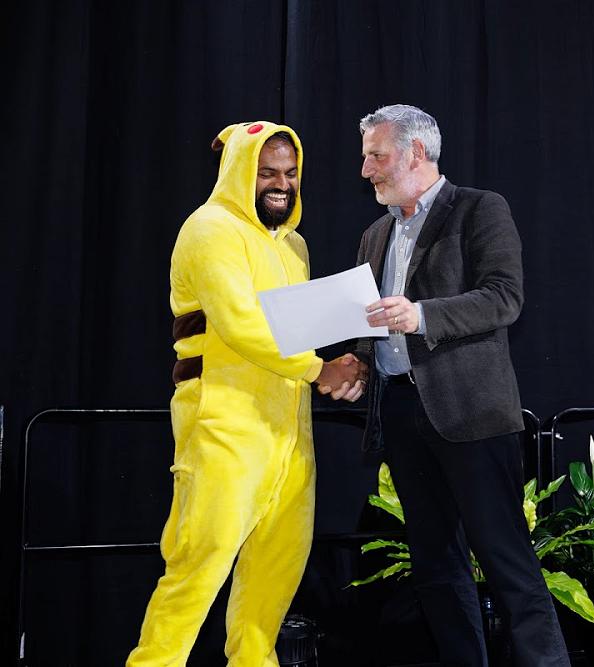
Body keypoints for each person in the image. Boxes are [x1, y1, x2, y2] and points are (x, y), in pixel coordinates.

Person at [128, 121, 365, 666]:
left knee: (277, 570)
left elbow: (300, 329)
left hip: (291, 433)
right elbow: (240, 324)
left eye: (290, 173)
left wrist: (348, 361)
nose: (281, 184)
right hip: (223, 422)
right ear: (239, 172)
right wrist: (321, 369)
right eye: (267, 172)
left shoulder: (295, 246)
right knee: (198, 564)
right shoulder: (210, 228)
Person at [348, 104, 570, 666]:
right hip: (401, 413)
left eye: (377, 156)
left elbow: (504, 298)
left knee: (506, 560)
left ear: (416, 153)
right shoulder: (374, 235)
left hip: (472, 415)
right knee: (435, 564)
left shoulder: (479, 208)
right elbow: (372, 321)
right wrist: (358, 363)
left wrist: (421, 315)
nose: (366, 169)